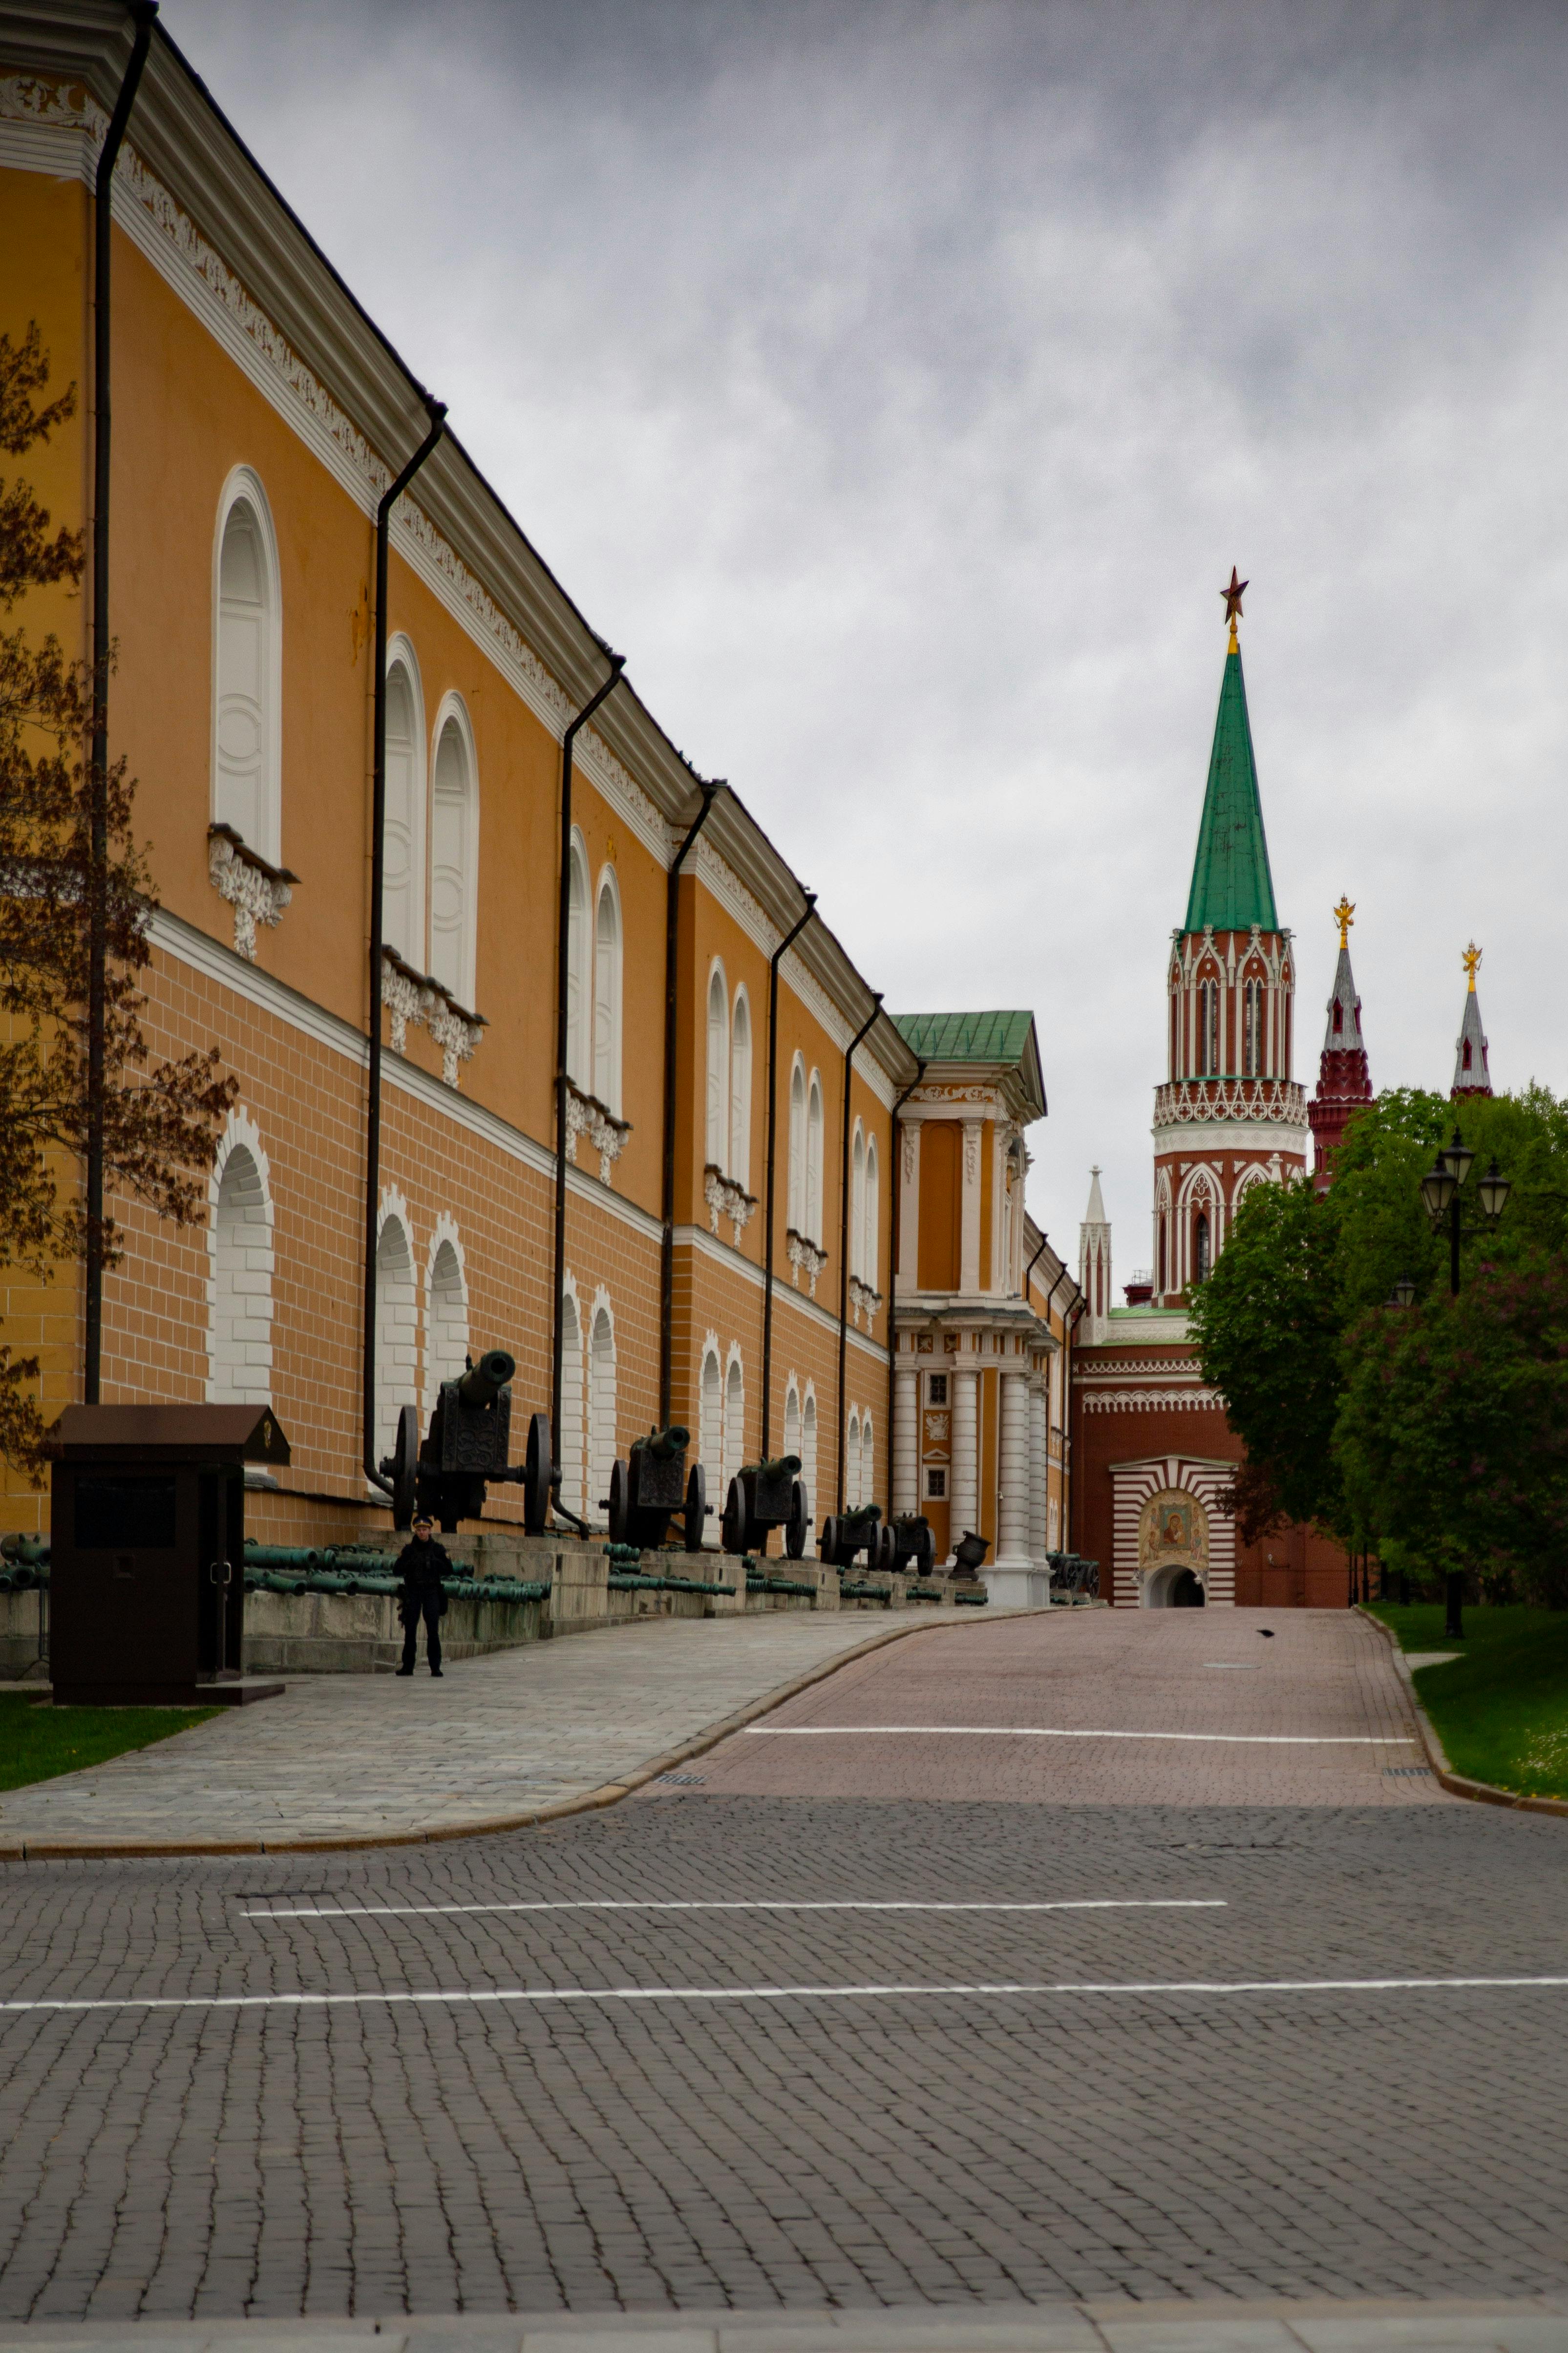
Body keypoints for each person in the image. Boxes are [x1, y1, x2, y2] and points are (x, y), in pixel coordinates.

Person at [394, 1513, 451, 1677]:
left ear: (430, 1531)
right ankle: (408, 1666)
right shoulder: (409, 1550)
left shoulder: (438, 1549)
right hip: (413, 1593)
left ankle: (435, 1666)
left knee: (433, 1630)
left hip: (431, 1592)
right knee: (410, 1630)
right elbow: (396, 1569)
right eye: (419, 1530)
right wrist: (409, 1564)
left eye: (425, 1529)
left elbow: (449, 1569)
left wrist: (435, 1563)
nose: (422, 1533)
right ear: (415, 1531)